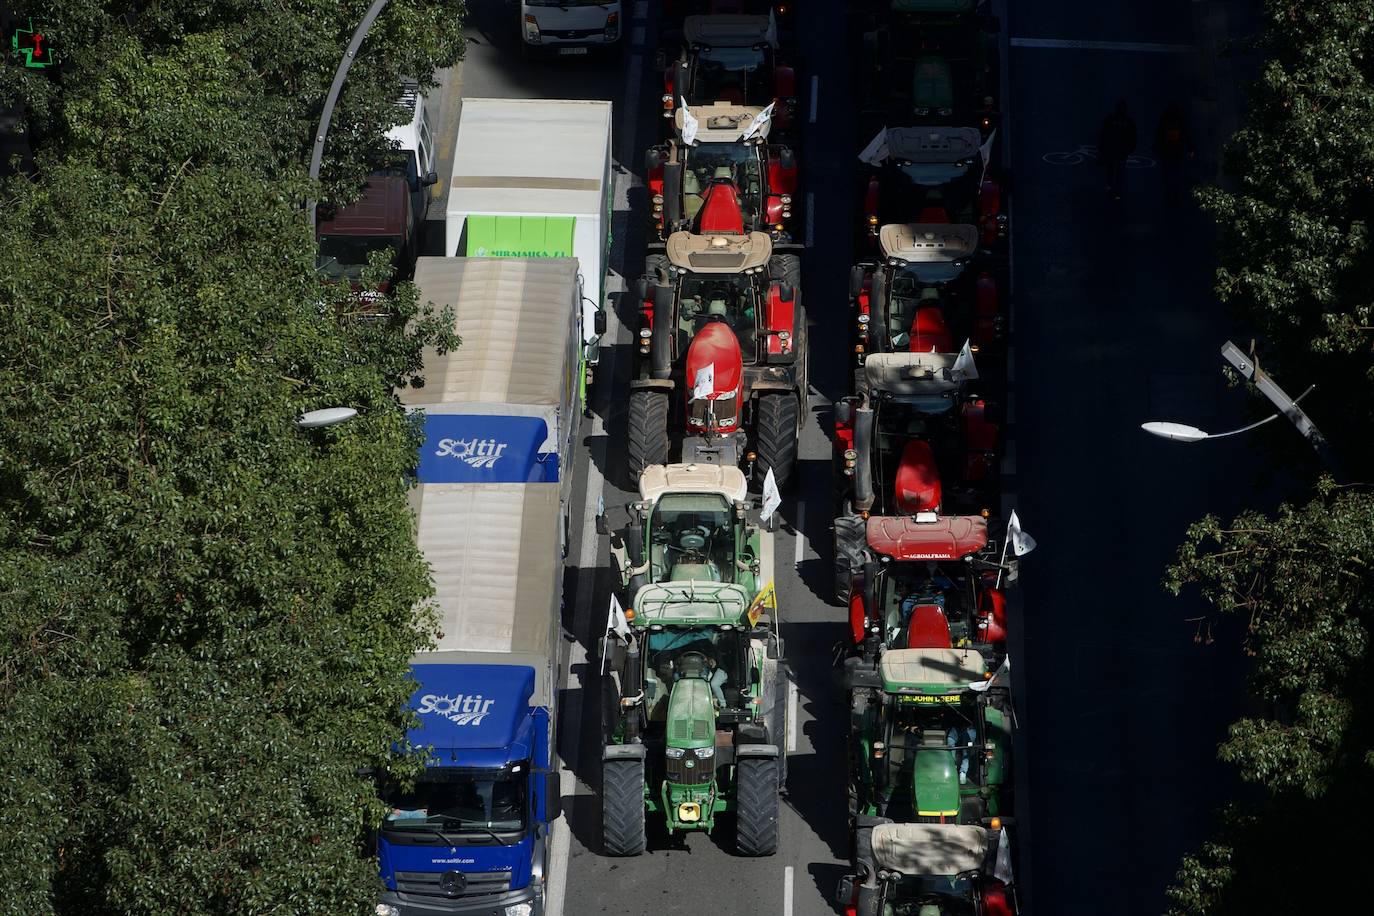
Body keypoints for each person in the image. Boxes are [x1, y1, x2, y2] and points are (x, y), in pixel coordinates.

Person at [1153, 103, 1195, 212]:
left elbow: (1159, 134)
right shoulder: (1180, 120)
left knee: (1168, 174)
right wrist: (1190, 148)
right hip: (1176, 152)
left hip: (1168, 152)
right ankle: (1175, 194)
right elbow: (1186, 135)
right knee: (1175, 173)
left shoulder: (1165, 119)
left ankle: (1170, 194)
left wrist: (1157, 148)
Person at [1098, 99, 1137, 200]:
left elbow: (1104, 134)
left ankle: (1110, 185)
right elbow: (1133, 136)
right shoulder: (1128, 121)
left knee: (1111, 167)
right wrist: (1131, 147)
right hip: (1121, 150)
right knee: (1119, 170)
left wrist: (1102, 147)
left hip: (1112, 148)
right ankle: (1117, 191)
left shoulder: (1110, 119)